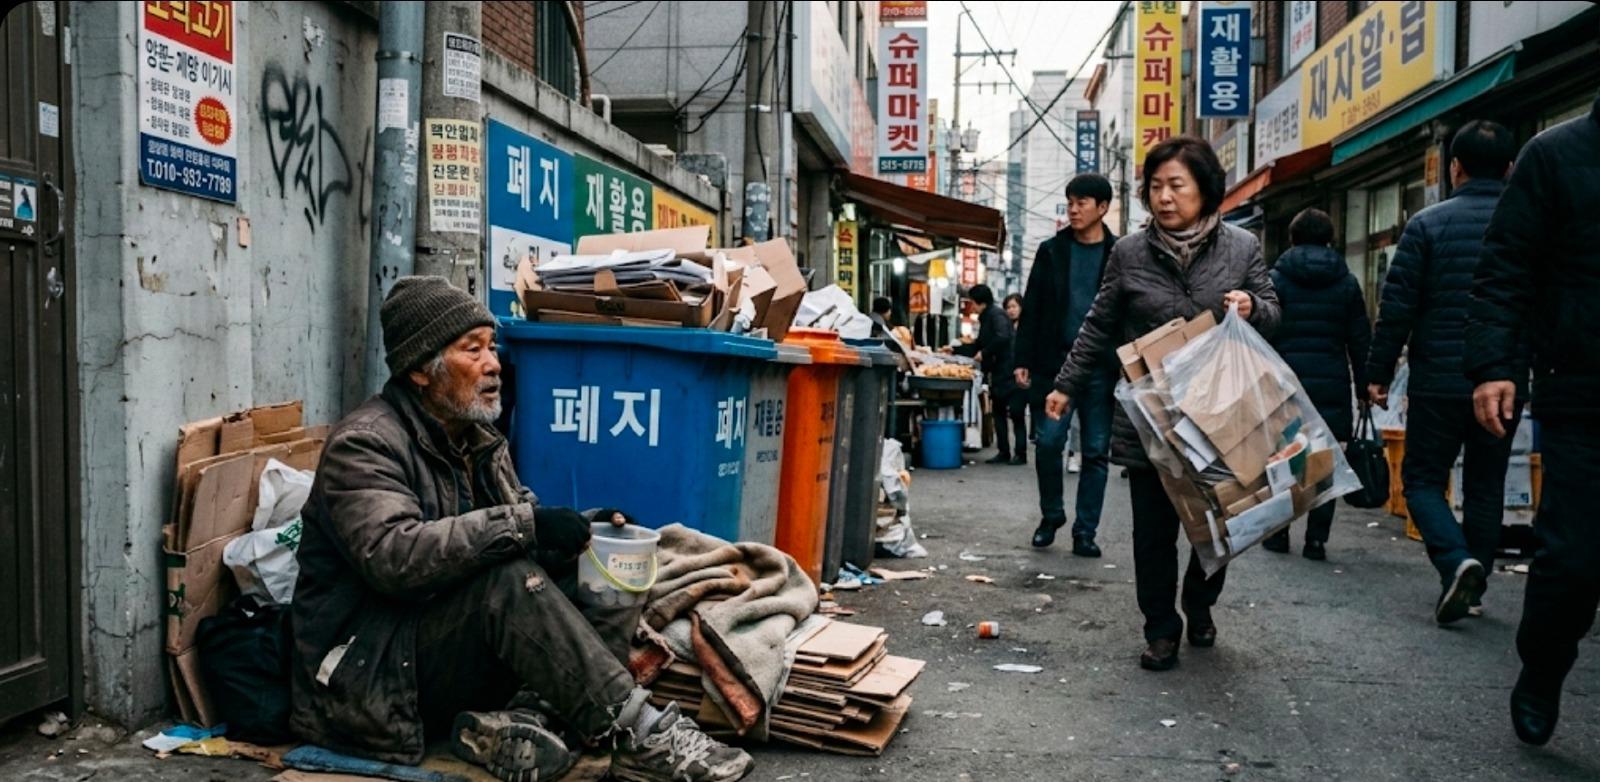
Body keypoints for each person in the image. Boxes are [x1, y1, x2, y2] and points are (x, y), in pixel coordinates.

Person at [290, 277, 753, 782]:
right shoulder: (364, 445)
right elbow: (394, 558)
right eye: (474, 350)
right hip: (370, 672)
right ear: (422, 369)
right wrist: (528, 526)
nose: (493, 364)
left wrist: (585, 530)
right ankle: (638, 731)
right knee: (506, 581)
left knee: (603, 568)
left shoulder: (477, 439)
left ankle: (531, 721)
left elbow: (523, 528)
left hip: (440, 649)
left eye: (493, 347)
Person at [1046, 136, 1280, 671]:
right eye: (1156, 187)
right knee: (1153, 534)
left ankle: (1200, 603)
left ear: (1206, 191)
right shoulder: (1128, 252)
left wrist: (1251, 306)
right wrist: (1066, 384)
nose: (1165, 198)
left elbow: (1272, 308)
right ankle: (1160, 628)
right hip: (1153, 417)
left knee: (1219, 523)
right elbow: (1099, 324)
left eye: (1177, 185)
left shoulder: (1242, 248)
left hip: (1222, 414)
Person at [1466, 91, 1600, 747]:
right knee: (1574, 561)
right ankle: (1543, 669)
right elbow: (1506, 268)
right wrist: (1497, 365)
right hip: (1583, 393)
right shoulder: (1556, 155)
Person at [1367, 120, 1523, 627]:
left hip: (1439, 377)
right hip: (1503, 377)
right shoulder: (1528, 223)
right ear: (1509, 169)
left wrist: (1379, 370)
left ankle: (1456, 562)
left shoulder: (1428, 224)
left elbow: (1398, 306)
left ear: (1454, 168)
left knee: (1422, 479)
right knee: (1486, 481)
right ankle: (1472, 586)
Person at [1014, 173, 1120, 556]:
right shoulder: (1052, 251)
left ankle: (1085, 532)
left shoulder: (1119, 253)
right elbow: (1033, 306)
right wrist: (1022, 357)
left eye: (1082, 203)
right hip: (1055, 365)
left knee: (1095, 451)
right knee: (1048, 443)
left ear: (1103, 208)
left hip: (1101, 368)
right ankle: (1052, 514)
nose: (1073, 209)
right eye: (1070, 202)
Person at [1261, 208, 1370, 561]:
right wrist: (1367, 383)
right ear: (1330, 239)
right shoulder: (1347, 281)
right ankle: (1317, 540)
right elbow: (1359, 338)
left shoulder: (1275, 278)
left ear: (1291, 239)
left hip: (1285, 382)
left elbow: (1263, 332)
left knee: (1283, 456)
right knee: (1324, 458)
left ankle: (1278, 534)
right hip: (1332, 380)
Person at [949, 284, 1018, 464]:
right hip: (998, 369)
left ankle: (1019, 452)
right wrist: (955, 349)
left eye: (972, 302)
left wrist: (985, 353)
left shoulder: (996, 315)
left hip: (1006, 369)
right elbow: (979, 343)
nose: (971, 305)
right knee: (999, 411)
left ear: (981, 302)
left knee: (1010, 412)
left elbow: (1002, 338)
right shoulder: (988, 316)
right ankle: (1005, 451)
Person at [1001, 293, 1031, 462]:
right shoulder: (1006, 327)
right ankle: (1018, 452)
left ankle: (1021, 452)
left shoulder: (1027, 328)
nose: (1011, 310)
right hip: (1008, 376)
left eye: (1014, 306)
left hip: (1024, 376)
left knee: (1018, 413)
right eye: (1008, 307)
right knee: (1015, 414)